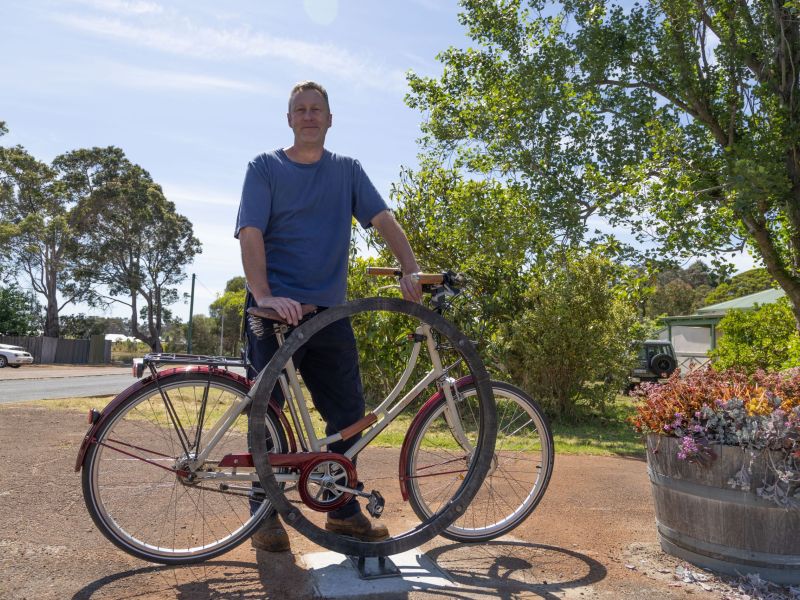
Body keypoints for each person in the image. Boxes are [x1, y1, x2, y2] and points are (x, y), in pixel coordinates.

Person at [235, 80, 422, 552]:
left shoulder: (347, 171)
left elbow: (382, 219)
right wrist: (264, 294)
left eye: (317, 109)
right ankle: (265, 514)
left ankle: (340, 509)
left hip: (327, 313)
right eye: (300, 109)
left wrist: (411, 267)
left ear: (330, 119)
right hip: (272, 311)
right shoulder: (264, 167)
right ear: (289, 119)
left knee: (347, 415)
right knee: (268, 413)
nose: (309, 115)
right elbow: (250, 232)